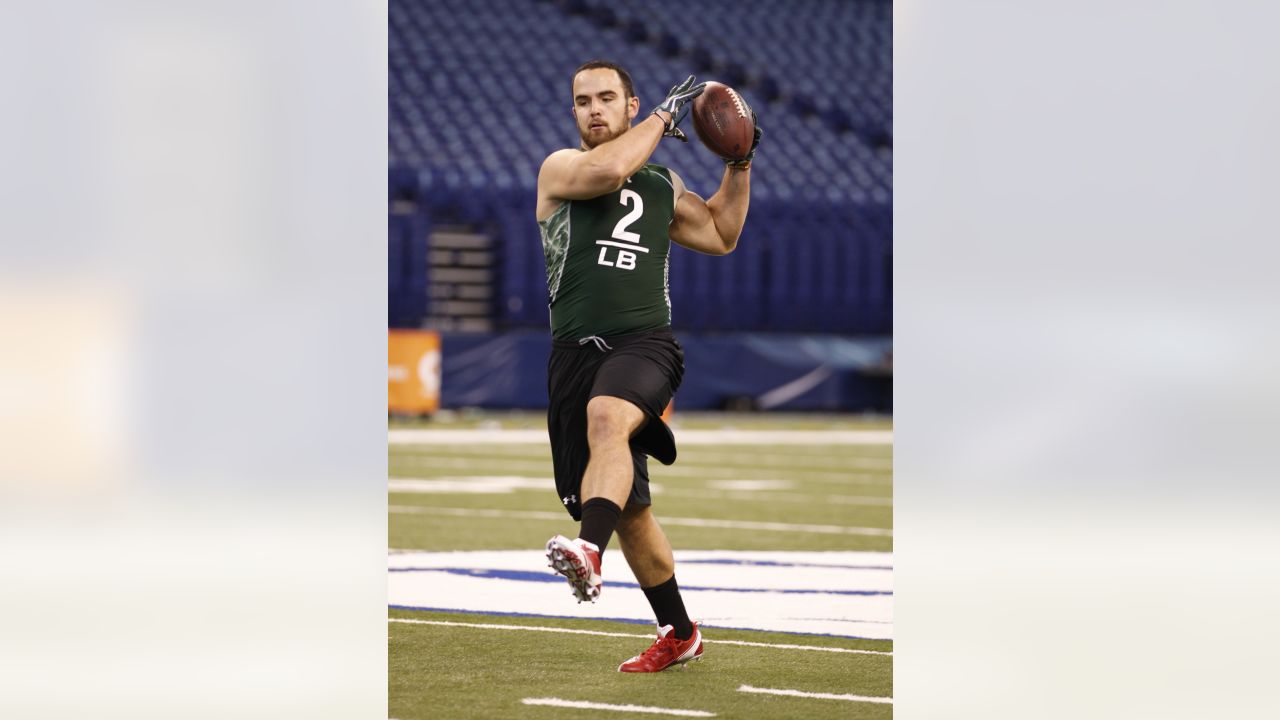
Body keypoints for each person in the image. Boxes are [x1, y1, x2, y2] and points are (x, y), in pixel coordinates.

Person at [535, 60, 760, 673]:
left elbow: (720, 233)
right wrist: (667, 114)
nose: (594, 110)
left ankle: (587, 550)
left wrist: (738, 164)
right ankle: (680, 632)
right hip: (572, 357)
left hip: (644, 344)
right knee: (630, 511)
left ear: (630, 106)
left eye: (608, 98)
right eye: (583, 101)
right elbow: (609, 168)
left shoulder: (661, 182)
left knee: (607, 417)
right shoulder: (561, 168)